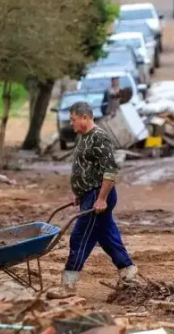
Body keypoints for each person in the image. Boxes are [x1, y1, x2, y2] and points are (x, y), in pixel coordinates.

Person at [47, 101, 137, 299]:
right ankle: (129, 274)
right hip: (90, 194)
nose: (71, 123)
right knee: (107, 237)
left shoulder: (99, 137)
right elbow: (86, 169)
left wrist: (102, 199)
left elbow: (111, 170)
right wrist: (79, 192)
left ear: (85, 118)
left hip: (98, 195)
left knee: (80, 238)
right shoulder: (85, 138)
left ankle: (68, 286)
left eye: (73, 119)